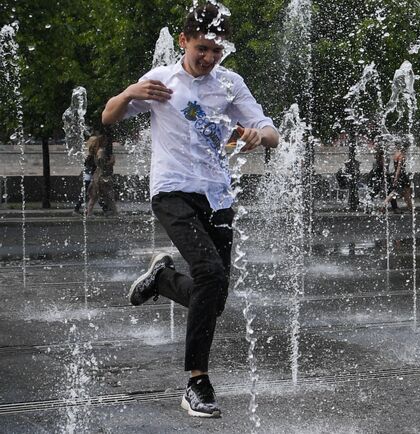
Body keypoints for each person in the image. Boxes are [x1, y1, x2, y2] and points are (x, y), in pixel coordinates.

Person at [101, 3, 279, 418]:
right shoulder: (161, 80)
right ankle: (197, 382)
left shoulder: (230, 84)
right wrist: (129, 93)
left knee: (213, 298)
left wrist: (257, 135)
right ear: (183, 41)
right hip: (172, 192)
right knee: (210, 275)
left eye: (217, 50)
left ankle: (161, 278)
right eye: (202, 48)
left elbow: (271, 131)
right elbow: (109, 115)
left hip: (217, 196)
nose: (209, 57)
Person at [85, 133, 119, 217]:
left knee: (95, 196)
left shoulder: (98, 150)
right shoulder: (101, 151)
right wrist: (111, 162)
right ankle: (114, 212)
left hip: (98, 176)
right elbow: (101, 164)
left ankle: (89, 212)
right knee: (108, 195)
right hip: (102, 176)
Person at [382, 148, 413, 212]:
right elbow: (399, 168)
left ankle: (411, 209)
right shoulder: (401, 156)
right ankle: (384, 205)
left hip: (397, 175)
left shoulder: (396, 154)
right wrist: (396, 178)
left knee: (405, 192)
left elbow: (396, 167)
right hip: (401, 175)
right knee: (396, 192)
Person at [73, 137, 98, 214]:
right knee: (92, 193)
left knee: (92, 193)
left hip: (88, 176)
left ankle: (78, 209)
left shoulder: (89, 153)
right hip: (89, 177)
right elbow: (91, 166)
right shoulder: (92, 154)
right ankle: (77, 209)